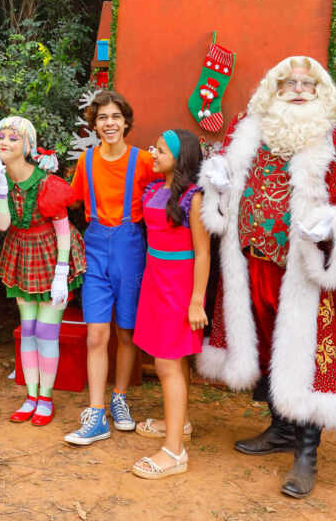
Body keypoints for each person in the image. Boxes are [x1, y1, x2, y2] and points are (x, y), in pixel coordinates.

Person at [196, 56, 336, 498]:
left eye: (307, 85)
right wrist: (215, 183)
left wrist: (330, 227)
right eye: (287, 82)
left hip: (300, 272)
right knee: (268, 346)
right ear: (272, 89)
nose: (297, 89)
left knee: (304, 354)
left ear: (321, 92)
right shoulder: (247, 131)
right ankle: (280, 428)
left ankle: (306, 453)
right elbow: (226, 189)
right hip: (249, 261)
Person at [0, 116, 87, 427]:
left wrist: (62, 272)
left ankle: (46, 398)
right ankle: (30, 395)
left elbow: (63, 228)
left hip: (52, 253)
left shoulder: (47, 183)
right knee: (28, 329)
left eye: (13, 138)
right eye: (0, 136)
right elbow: (2, 224)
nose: (4, 142)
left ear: (27, 146)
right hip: (21, 251)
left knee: (46, 331)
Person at [64, 90, 157, 446]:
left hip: (131, 247)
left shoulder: (145, 160)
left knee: (126, 332)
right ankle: (96, 411)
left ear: (126, 122)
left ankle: (119, 396)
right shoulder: (87, 162)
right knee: (96, 334)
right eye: (102, 118)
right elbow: (70, 200)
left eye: (115, 117)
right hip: (97, 248)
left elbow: (170, 190)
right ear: (95, 124)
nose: (109, 123)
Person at [130, 129, 211, 479]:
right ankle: (181, 423)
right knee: (172, 359)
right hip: (155, 278)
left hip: (179, 285)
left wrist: (196, 300)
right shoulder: (153, 188)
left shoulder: (193, 198)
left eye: (161, 149)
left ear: (181, 157)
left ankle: (174, 452)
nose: (154, 153)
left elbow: (203, 253)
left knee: (167, 362)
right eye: (154, 147)